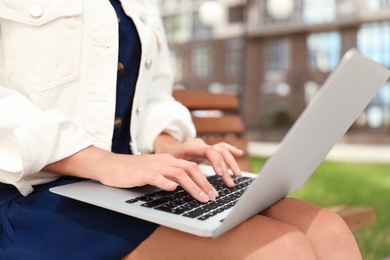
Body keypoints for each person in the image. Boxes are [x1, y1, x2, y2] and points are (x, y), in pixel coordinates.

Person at [0, 0, 361, 259]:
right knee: (280, 248)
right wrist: (98, 161)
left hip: (124, 187)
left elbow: (154, 92)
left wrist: (167, 143)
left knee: (327, 229)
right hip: (31, 195)